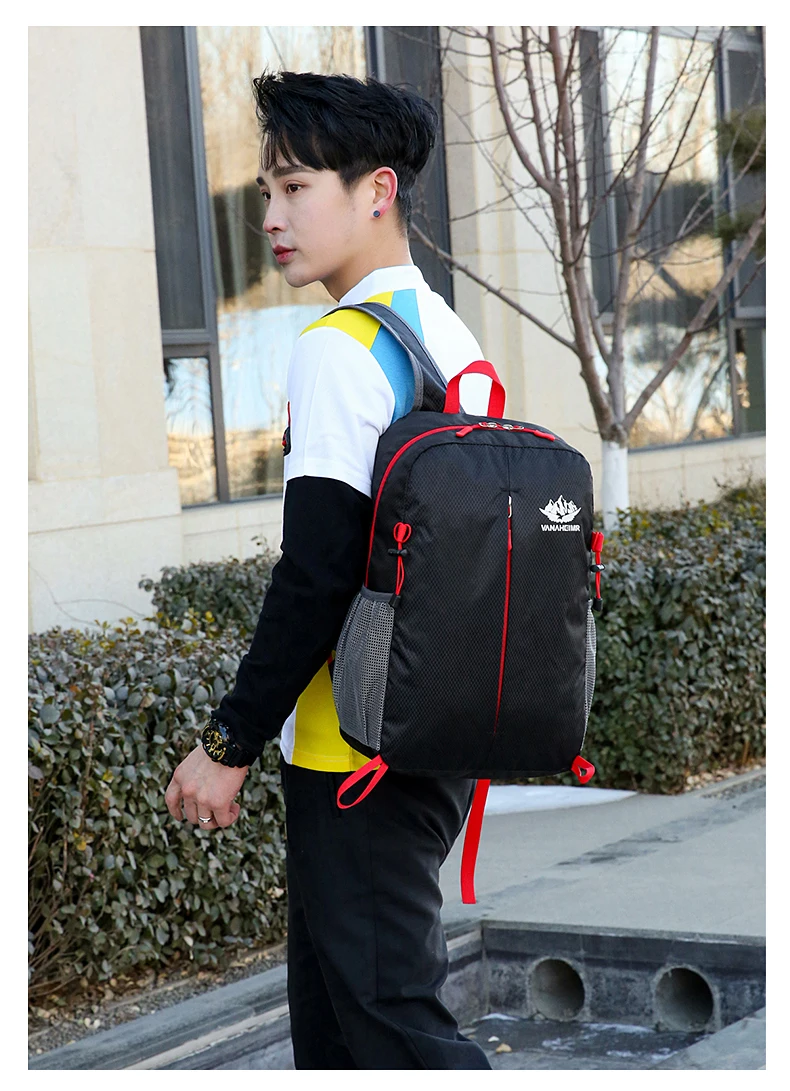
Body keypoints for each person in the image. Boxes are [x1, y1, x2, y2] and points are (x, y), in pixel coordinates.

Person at [165, 70, 492, 1071]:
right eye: (267, 190)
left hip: (354, 757)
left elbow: (316, 572)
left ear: (377, 190)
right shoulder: (445, 334)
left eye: (297, 187)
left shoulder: (342, 348)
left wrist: (227, 741)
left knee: (392, 1033)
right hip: (432, 732)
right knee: (343, 1037)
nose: (270, 216)